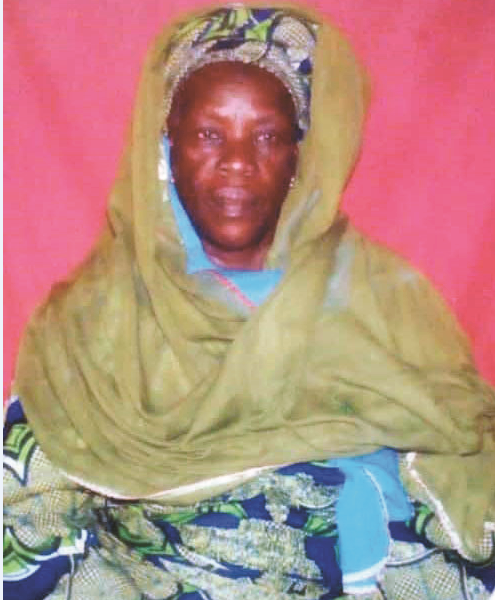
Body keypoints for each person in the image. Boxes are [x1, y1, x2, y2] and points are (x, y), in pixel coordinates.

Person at [3, 5, 495, 599]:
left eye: (267, 136)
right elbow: (24, 525)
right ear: (167, 148)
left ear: (299, 157)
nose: (238, 161)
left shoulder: (380, 297)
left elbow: (465, 469)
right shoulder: (92, 323)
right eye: (209, 134)